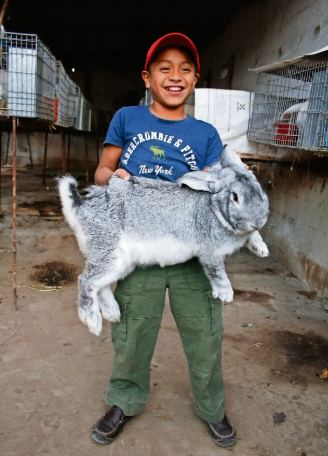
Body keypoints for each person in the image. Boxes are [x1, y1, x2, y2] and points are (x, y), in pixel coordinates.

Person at [92, 33, 237, 448]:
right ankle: (124, 399)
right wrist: (114, 177)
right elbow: (103, 169)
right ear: (147, 77)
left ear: (195, 79)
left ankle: (212, 407)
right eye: (165, 68)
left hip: (192, 251)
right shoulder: (127, 118)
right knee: (132, 331)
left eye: (186, 69)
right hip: (140, 248)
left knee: (206, 332)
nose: (176, 76)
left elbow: (213, 188)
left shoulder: (205, 132)